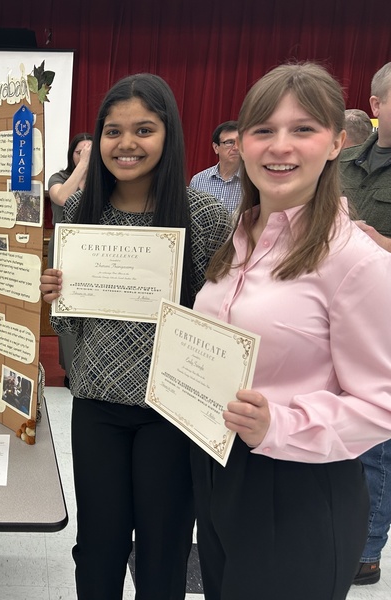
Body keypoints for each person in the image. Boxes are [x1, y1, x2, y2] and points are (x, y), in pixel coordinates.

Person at [192, 62, 391, 600]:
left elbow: (382, 405)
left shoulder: (356, 261)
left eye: (303, 129)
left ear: (337, 143)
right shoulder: (240, 236)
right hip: (220, 468)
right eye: (263, 129)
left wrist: (279, 425)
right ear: (241, 143)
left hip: (298, 486)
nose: (280, 146)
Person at [40, 74, 230, 599]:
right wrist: (57, 296)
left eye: (144, 130)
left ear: (169, 135)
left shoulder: (205, 217)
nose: (127, 144)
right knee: (97, 546)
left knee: (164, 549)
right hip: (97, 403)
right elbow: (69, 325)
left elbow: (222, 317)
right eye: (113, 131)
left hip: (171, 410)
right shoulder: (81, 210)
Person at [340, 61, 391, 586]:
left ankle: (367, 549)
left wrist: (380, 245)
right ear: (376, 105)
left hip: (386, 322)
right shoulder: (342, 161)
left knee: (377, 444)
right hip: (336, 313)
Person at [47, 132, 92, 386]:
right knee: (65, 306)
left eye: (90, 151)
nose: (85, 155)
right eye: (80, 151)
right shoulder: (59, 178)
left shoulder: (105, 179)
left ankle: (90, 367)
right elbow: (63, 198)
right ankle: (71, 371)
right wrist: (83, 165)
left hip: (94, 247)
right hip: (64, 246)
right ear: (71, 154)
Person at [190, 121, 242, 213]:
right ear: (216, 147)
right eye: (229, 142)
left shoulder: (252, 181)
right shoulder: (198, 180)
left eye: (240, 142)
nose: (236, 147)